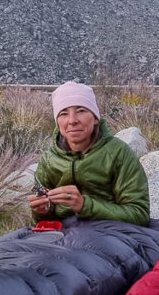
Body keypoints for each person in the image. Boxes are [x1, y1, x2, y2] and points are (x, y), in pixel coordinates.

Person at [28, 81, 151, 225]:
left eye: (81, 111)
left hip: (110, 232)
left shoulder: (118, 153)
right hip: (63, 235)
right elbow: (40, 223)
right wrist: (41, 211)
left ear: (95, 118)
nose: (72, 121)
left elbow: (139, 213)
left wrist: (85, 206)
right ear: (57, 122)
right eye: (63, 113)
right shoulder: (49, 160)